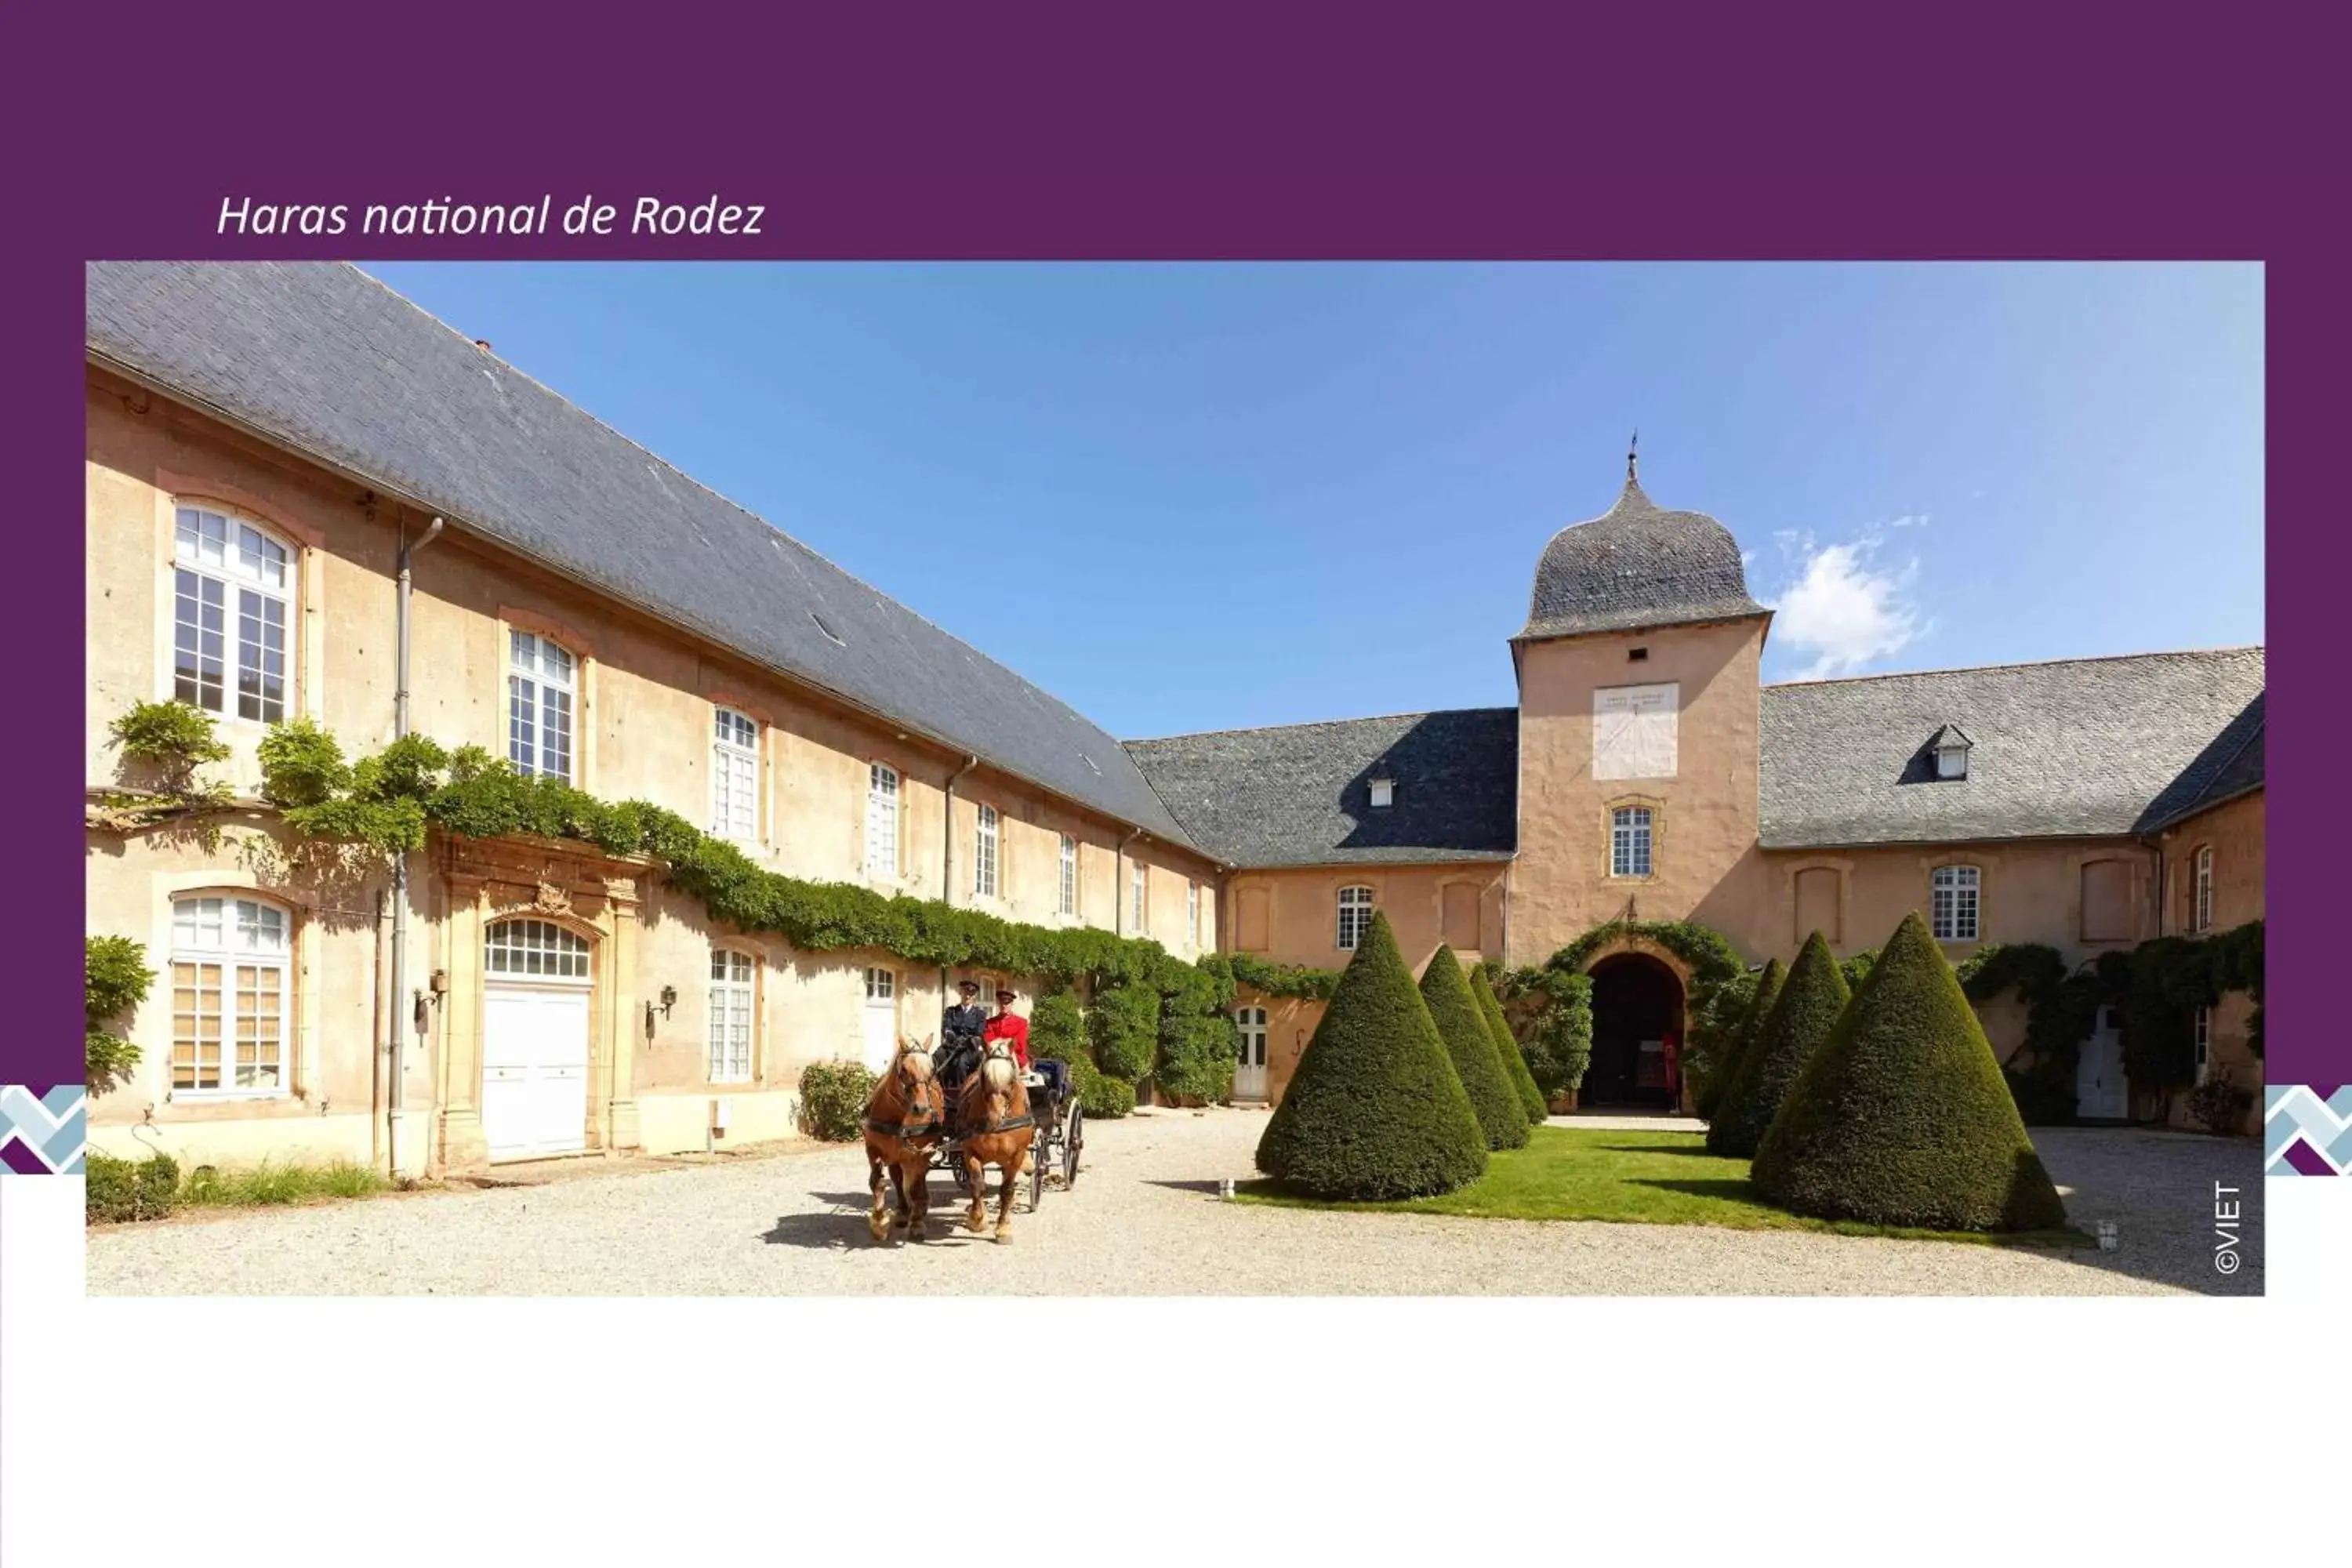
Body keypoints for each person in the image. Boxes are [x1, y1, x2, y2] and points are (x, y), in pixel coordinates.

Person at [936, 978, 988, 1091]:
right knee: (938, 1055)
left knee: (960, 1063)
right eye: (965, 993)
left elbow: (980, 1032)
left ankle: (960, 1091)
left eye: (971, 994)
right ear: (961, 993)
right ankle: (938, 1089)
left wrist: (972, 1040)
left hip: (969, 1048)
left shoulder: (980, 1014)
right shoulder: (951, 1011)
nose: (968, 996)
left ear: (975, 996)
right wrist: (949, 1035)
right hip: (952, 1045)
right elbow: (946, 1027)